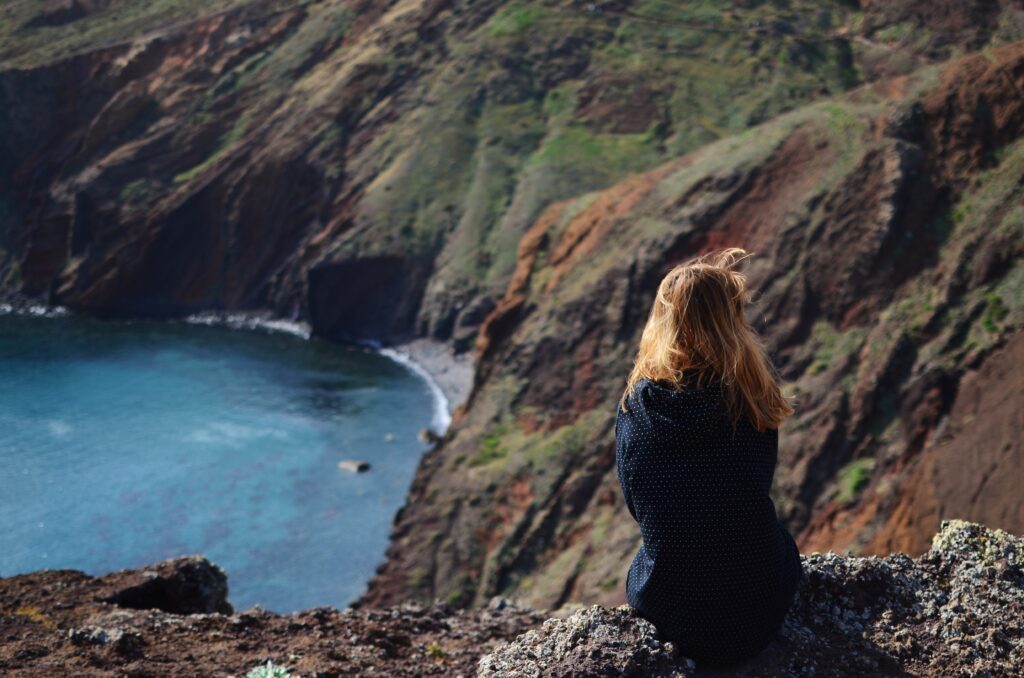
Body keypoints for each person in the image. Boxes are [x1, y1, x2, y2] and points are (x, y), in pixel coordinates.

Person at [615, 246, 803, 666]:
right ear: (731, 322)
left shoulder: (637, 407)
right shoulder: (752, 399)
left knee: (648, 557)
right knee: (778, 539)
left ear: (663, 323)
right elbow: (753, 486)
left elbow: (637, 505)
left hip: (670, 612)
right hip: (759, 607)